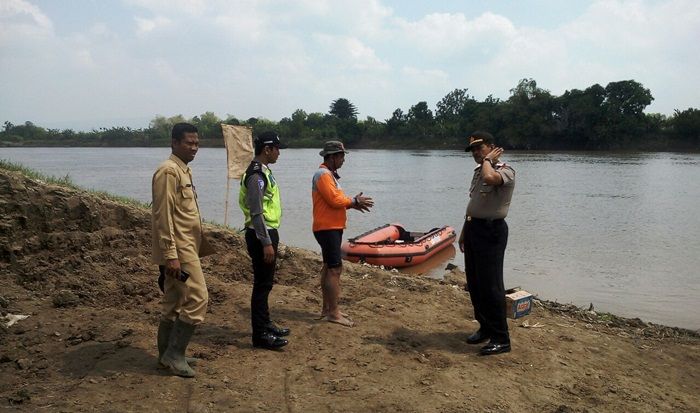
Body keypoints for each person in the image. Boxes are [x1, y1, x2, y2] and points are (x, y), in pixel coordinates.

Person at [152, 122, 213, 377]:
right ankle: (175, 355)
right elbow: (162, 217)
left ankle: (167, 356)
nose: (194, 147)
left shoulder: (183, 170)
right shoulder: (168, 172)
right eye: (189, 142)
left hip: (187, 247)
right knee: (198, 298)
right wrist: (171, 256)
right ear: (174, 143)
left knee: (174, 301)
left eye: (197, 143)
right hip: (180, 251)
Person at [458, 131, 516, 356]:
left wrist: (488, 161)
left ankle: (501, 338)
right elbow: (474, 203)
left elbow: (492, 179)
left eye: (479, 148)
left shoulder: (505, 170)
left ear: (492, 147)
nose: (475, 152)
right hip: (474, 229)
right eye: (472, 149)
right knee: (475, 283)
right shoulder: (478, 171)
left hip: (492, 231)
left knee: (491, 286)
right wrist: (465, 231)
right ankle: (484, 327)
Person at [312, 141, 374, 327]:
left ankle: (327, 308)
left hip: (329, 227)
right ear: (331, 157)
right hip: (327, 228)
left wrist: (353, 204)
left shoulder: (328, 175)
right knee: (335, 269)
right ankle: (334, 312)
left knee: (328, 267)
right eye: (341, 156)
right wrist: (354, 201)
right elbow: (334, 199)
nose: (343, 159)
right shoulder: (323, 174)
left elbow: (337, 200)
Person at [239, 131, 289, 350]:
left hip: (267, 232)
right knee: (262, 285)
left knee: (266, 284)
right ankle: (259, 335)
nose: (279, 153)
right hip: (261, 234)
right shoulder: (256, 176)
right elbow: (257, 212)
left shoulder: (264, 172)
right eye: (277, 148)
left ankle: (265, 324)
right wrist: (266, 242)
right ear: (267, 149)